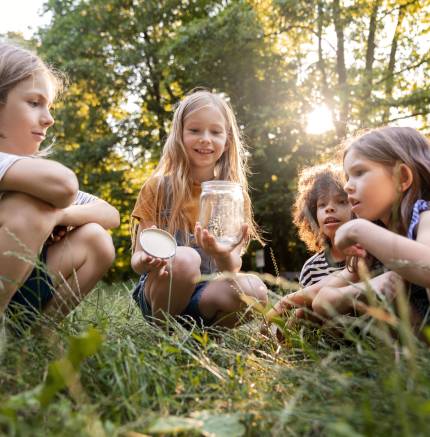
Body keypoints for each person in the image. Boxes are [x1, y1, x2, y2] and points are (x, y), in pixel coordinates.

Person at [0, 42, 119, 329]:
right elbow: (64, 185)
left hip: (17, 292)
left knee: (97, 240)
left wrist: (58, 216)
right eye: (34, 103)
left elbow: (110, 214)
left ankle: (31, 340)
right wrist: (47, 211)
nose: (49, 118)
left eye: (49, 106)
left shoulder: (33, 176)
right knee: (33, 207)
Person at [267, 127, 429, 330]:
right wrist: (288, 302)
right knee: (321, 303)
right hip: (410, 341)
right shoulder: (376, 238)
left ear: (402, 177)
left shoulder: (424, 216)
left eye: (359, 173)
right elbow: (334, 284)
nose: (347, 186)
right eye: (348, 177)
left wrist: (357, 230)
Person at [131, 89, 267, 328]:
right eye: (194, 130)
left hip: (204, 296)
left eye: (215, 132)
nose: (205, 138)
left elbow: (231, 267)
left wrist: (221, 253)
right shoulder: (158, 188)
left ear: (227, 142)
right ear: (179, 135)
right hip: (160, 293)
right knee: (185, 258)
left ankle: (202, 338)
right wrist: (146, 259)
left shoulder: (233, 196)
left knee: (253, 289)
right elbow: (137, 260)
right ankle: (164, 334)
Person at [293, 163, 352, 287]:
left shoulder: (372, 255)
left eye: (341, 201)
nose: (329, 208)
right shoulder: (311, 269)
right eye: (322, 204)